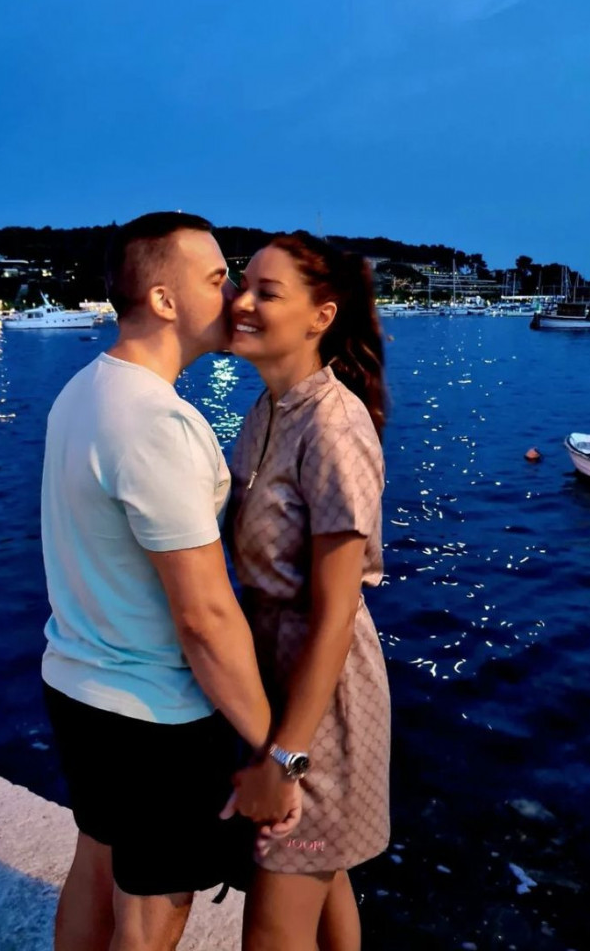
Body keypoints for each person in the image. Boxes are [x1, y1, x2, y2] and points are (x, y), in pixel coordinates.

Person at [39, 212, 300, 951]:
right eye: (218, 279)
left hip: (77, 684)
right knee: (156, 907)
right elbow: (204, 617)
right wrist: (275, 751)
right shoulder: (157, 422)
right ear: (163, 299)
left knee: (96, 862)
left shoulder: (84, 391)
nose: (236, 296)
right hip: (151, 717)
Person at [225, 231, 391, 951]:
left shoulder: (332, 423)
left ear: (320, 317)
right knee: (326, 886)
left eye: (266, 292)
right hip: (279, 686)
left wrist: (284, 758)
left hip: (322, 706)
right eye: (242, 285)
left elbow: (335, 614)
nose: (241, 302)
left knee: (273, 928)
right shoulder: (267, 412)